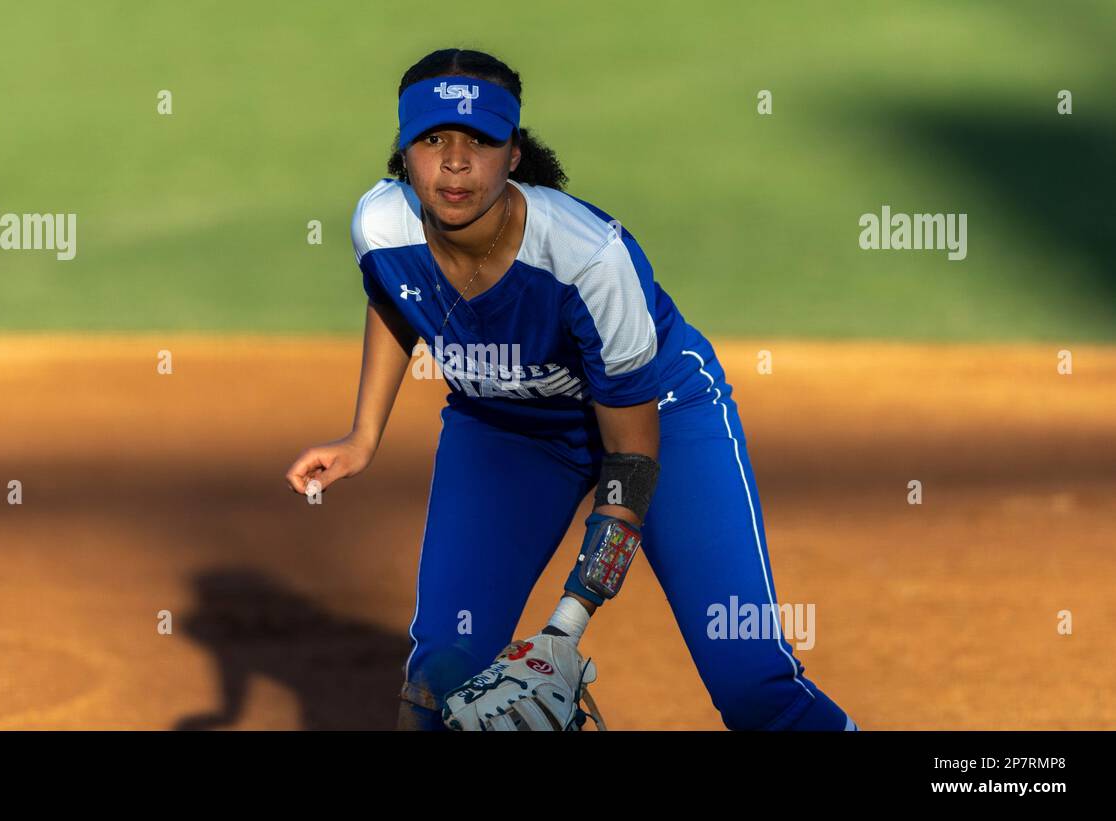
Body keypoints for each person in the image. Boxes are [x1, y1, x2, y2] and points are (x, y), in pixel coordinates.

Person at [286, 47, 858, 731]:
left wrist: (565, 626)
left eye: (482, 140)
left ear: (515, 154)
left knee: (751, 683)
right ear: (403, 152)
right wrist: (363, 434)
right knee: (439, 678)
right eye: (433, 139)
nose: (457, 161)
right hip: (505, 429)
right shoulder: (381, 225)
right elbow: (393, 296)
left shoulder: (588, 257)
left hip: (660, 418)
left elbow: (632, 461)